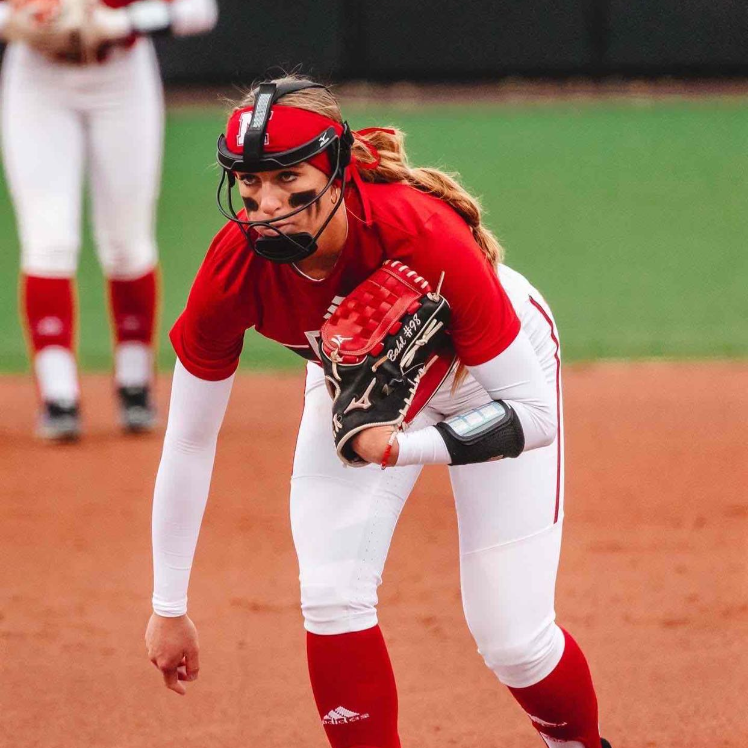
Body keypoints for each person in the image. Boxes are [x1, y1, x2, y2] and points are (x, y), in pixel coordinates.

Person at [144, 76, 612, 748]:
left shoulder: (420, 233)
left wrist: (399, 448)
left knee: (513, 638)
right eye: (250, 181)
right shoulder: (235, 268)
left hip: (487, 376)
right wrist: (168, 606)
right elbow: (190, 440)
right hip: (356, 388)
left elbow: (533, 414)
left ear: (337, 172)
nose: (266, 204)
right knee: (331, 596)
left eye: (287, 178)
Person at [0, 0, 219, 439]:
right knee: (48, 242)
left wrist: (119, 21)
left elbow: (199, 11)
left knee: (128, 243)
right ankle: (58, 395)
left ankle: (135, 385)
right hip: (38, 77)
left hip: (121, 75)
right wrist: (18, 21)